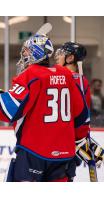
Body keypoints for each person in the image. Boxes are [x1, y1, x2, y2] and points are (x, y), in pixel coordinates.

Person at [0, 33, 89, 182]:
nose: (24, 54)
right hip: (64, 156)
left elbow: (8, 109)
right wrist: (81, 141)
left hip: (34, 153)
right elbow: (81, 115)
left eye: (27, 51)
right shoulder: (66, 75)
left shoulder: (31, 75)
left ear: (36, 52)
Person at [55, 42, 104, 181]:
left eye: (62, 54)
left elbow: (81, 118)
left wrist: (83, 141)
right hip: (62, 144)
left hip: (64, 145)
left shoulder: (74, 81)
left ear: (70, 58)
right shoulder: (77, 80)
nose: (57, 56)